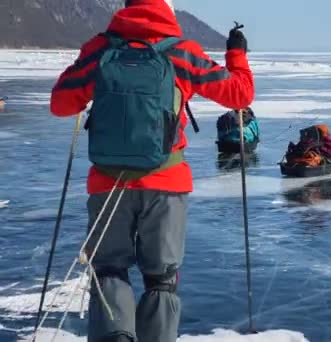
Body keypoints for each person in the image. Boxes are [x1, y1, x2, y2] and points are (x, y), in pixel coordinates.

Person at [49, 0, 254, 341]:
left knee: (110, 271)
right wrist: (236, 54)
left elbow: (60, 103)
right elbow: (240, 94)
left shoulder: (100, 49)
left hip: (107, 184)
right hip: (166, 184)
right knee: (161, 281)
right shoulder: (182, 53)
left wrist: (84, 69)